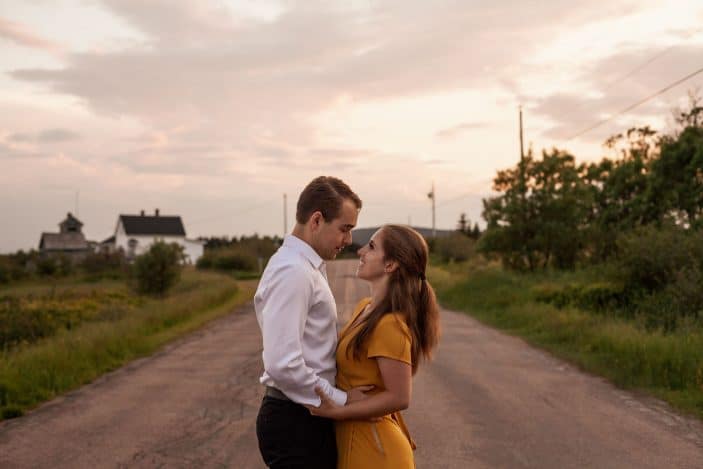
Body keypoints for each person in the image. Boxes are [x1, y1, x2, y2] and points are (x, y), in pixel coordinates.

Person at [255, 176, 370, 469]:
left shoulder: (304, 266)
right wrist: (341, 400)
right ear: (317, 220)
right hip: (295, 421)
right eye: (344, 229)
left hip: (304, 416)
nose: (348, 240)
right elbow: (283, 363)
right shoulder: (293, 271)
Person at [307, 224, 441, 469]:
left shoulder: (391, 324)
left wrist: (338, 411)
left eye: (371, 247)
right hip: (355, 442)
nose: (360, 252)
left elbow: (400, 397)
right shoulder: (365, 307)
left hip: (377, 451)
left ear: (390, 265)